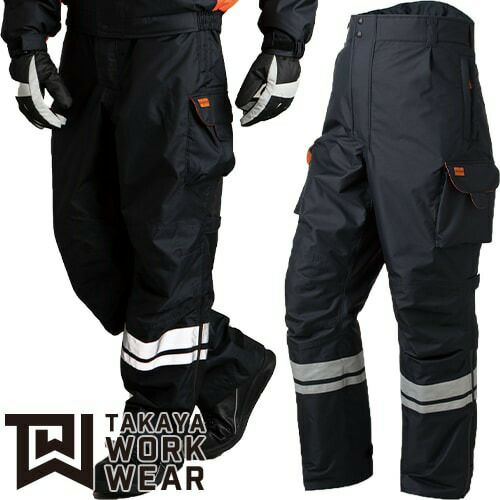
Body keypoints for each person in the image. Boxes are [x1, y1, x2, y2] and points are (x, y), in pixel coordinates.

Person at [1, 0, 318, 497]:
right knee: (87, 240)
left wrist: (284, 41)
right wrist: (27, 43)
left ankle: (157, 434)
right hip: (86, 45)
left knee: (168, 250)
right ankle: (227, 363)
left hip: (177, 47)